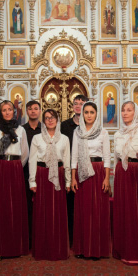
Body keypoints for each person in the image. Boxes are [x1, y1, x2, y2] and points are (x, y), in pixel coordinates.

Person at [0, 101, 30, 259]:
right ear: (0, 112)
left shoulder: (21, 129)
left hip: (15, 169)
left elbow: (25, 153)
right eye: (4, 110)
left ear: (14, 111)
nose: (8, 112)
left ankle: (16, 246)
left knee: (15, 207)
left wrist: (15, 167)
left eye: (10, 109)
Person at [28, 109, 71, 260]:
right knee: (42, 211)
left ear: (57, 120)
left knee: (57, 211)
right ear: (44, 121)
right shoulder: (37, 138)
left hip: (58, 174)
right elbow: (32, 160)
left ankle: (57, 249)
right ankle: (42, 250)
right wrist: (32, 181)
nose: (50, 120)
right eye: (47, 118)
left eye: (52, 117)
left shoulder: (64, 139)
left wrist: (68, 181)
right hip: (41, 174)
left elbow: (67, 160)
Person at [71, 102, 111, 259]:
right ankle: (82, 248)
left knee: (97, 210)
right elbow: (74, 155)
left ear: (96, 114)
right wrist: (73, 177)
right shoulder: (77, 132)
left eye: (91, 112)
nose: (88, 115)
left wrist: (107, 178)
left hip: (98, 170)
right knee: (83, 209)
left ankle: (96, 249)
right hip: (82, 172)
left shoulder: (103, 132)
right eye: (86, 112)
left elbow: (107, 156)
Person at [112, 101, 138, 264]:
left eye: (129, 110)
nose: (125, 113)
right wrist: (113, 179)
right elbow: (115, 158)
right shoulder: (117, 134)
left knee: (136, 212)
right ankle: (123, 250)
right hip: (121, 172)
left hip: (136, 171)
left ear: (135, 113)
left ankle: (136, 252)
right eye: (123, 110)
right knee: (122, 211)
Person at [60, 94, 88, 246]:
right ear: (72, 107)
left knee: (85, 203)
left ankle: (84, 235)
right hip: (69, 168)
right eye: (75, 103)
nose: (78, 106)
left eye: (81, 103)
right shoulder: (64, 125)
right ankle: (71, 237)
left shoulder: (91, 125)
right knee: (70, 203)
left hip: (86, 167)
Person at [23, 100, 42, 246]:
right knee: (27, 205)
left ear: (40, 111)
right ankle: (29, 238)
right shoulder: (21, 130)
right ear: (27, 111)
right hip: (25, 171)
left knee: (42, 205)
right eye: (30, 109)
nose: (33, 111)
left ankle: (42, 236)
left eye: (36, 108)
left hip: (42, 171)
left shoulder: (46, 129)